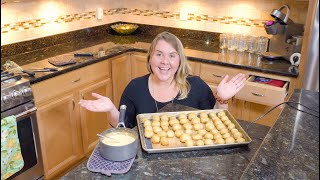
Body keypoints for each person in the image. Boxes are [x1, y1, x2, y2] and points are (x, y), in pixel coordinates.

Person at [79, 32, 246, 128]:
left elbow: (216, 124)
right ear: (150, 58)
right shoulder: (135, 88)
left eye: (172, 56)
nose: (165, 61)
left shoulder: (196, 86)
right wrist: (111, 110)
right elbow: (123, 128)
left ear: (180, 60)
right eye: (159, 54)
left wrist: (223, 98)